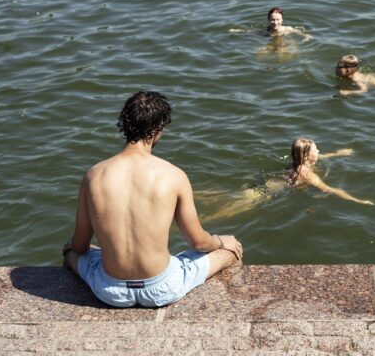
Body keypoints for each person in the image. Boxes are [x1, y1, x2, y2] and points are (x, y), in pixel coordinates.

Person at [62, 91, 243, 308]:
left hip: (110, 291)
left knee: (72, 252)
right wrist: (222, 241)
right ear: (157, 130)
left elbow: (80, 245)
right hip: (162, 287)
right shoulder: (173, 175)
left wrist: (71, 249)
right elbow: (199, 243)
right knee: (231, 251)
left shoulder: (94, 175)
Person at [200, 137, 373, 222]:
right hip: (261, 194)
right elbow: (329, 189)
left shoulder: (297, 163)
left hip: (258, 186)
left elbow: (320, 157)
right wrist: (357, 200)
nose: (319, 152)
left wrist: (339, 153)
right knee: (219, 214)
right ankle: (199, 221)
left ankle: (195, 194)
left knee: (221, 196)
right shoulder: (307, 173)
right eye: (316, 150)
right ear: (306, 156)